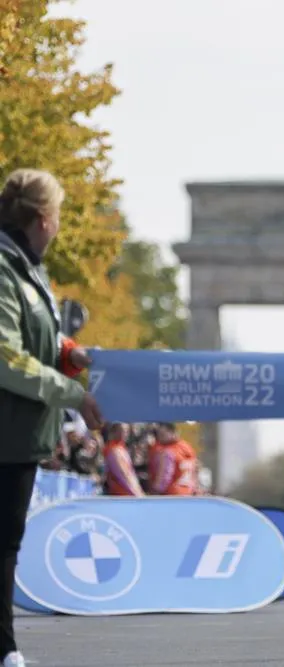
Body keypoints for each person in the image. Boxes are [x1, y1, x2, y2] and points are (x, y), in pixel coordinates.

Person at [0, 169, 103, 667]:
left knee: (6, 542)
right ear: (43, 219)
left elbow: (33, 335)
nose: (59, 225)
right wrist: (74, 395)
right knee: (3, 544)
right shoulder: (6, 267)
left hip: (18, 431)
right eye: (58, 215)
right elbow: (6, 356)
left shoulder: (26, 268)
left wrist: (68, 352)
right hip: (7, 430)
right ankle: (4, 650)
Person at [147, 422, 200, 496]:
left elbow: (164, 476)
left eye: (162, 434)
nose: (159, 438)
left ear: (173, 432)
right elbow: (196, 469)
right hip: (188, 493)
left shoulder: (168, 451)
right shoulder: (188, 447)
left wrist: (155, 491)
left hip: (171, 494)